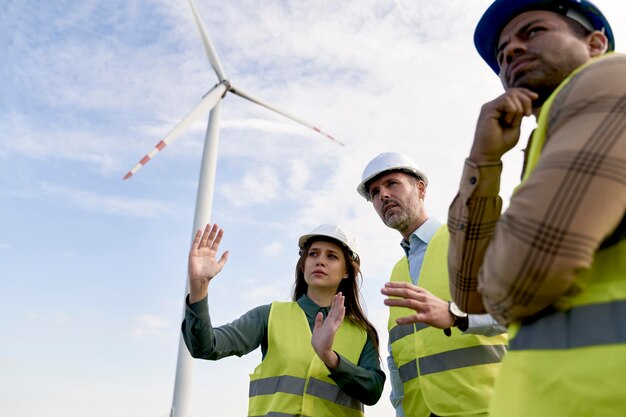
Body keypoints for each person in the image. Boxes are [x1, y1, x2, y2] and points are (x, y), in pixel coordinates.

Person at [448, 0, 626, 416]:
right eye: (502, 51)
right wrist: (484, 159)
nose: (510, 51)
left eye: (533, 32)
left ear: (596, 42)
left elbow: (518, 284)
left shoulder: (610, 77)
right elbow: (470, 297)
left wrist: (497, 276)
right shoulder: (549, 134)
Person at [356, 151, 508, 417]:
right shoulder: (396, 272)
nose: (383, 196)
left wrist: (455, 315)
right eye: (375, 192)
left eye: (392, 184)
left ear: (421, 188)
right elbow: (397, 358)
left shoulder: (470, 240)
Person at [181, 223, 385, 417]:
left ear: (347, 271)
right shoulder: (269, 316)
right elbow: (206, 347)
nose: (320, 261)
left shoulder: (362, 333)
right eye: (313, 254)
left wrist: (330, 358)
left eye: (331, 256)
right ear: (303, 264)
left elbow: (373, 391)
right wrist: (199, 288)